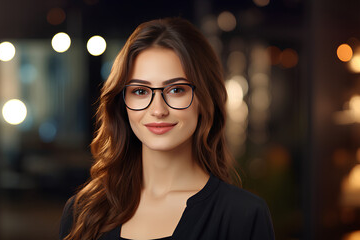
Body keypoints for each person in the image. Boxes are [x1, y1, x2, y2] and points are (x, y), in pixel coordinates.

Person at [59, 17, 275, 240]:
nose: (158, 110)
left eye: (176, 90)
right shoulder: (83, 212)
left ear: (204, 99)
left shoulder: (243, 215)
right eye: (140, 91)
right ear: (122, 105)